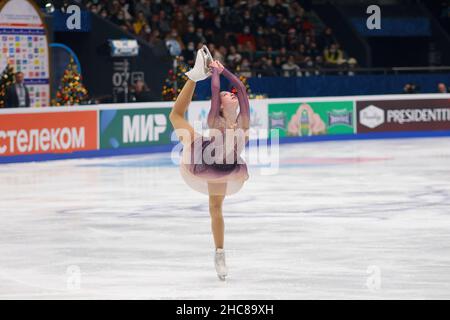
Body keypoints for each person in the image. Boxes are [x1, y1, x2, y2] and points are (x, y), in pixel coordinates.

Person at [169, 46, 250, 281]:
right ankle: (194, 77)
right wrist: (213, 72)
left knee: (216, 209)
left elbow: (242, 90)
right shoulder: (214, 119)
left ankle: (219, 252)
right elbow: (215, 91)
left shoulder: (244, 122)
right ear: (221, 105)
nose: (230, 94)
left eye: (230, 94)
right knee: (175, 115)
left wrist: (224, 71)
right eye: (227, 95)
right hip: (205, 159)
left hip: (225, 168)